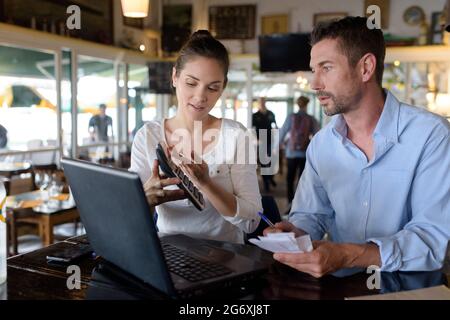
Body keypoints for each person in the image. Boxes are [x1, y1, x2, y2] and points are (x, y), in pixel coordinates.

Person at [265, 17, 450, 278]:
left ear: (365, 68)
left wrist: (348, 255)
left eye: (326, 68)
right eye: (313, 69)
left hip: (409, 288)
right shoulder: (321, 144)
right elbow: (311, 214)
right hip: (337, 286)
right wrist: (295, 233)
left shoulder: (431, 136)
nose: (314, 83)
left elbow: (431, 241)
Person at [130, 30, 262, 244]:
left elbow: (252, 221)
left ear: (223, 88)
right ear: (174, 77)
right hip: (167, 256)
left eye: (212, 88)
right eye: (191, 83)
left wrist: (207, 183)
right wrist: (143, 200)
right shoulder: (147, 136)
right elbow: (130, 218)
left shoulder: (236, 136)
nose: (200, 97)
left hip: (226, 258)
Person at [279, 96, 320, 204]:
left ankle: (289, 200)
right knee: (302, 179)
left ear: (298, 104)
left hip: (291, 152)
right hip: (304, 153)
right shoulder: (311, 118)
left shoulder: (291, 117)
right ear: (307, 105)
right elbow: (318, 135)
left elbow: (282, 132)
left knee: (290, 177)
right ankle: (300, 201)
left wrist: (279, 144)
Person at [252, 97, 277, 192]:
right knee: (264, 162)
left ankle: (270, 178)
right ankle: (266, 182)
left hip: (271, 141)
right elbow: (251, 129)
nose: (262, 103)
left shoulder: (271, 114)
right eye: (260, 102)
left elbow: (275, 126)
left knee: (272, 161)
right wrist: (256, 139)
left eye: (263, 101)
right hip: (261, 142)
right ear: (258, 103)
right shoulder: (255, 115)